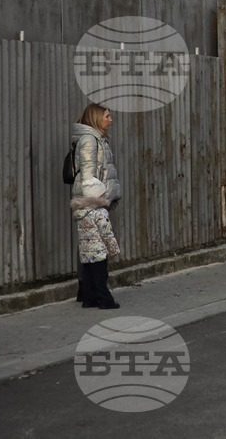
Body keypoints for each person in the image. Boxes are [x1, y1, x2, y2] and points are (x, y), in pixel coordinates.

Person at [72, 103, 122, 303]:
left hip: (95, 201)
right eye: (107, 116)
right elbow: (87, 176)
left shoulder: (97, 139)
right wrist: (96, 202)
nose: (110, 120)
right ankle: (100, 295)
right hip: (92, 203)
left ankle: (87, 293)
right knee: (96, 249)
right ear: (95, 118)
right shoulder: (89, 140)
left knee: (90, 247)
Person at [70, 174, 121, 309]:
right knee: (100, 277)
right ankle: (106, 300)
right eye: (103, 194)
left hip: (86, 252)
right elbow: (106, 233)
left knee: (88, 277)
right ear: (98, 196)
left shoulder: (81, 213)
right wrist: (114, 249)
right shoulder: (100, 213)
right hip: (98, 252)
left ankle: (88, 299)